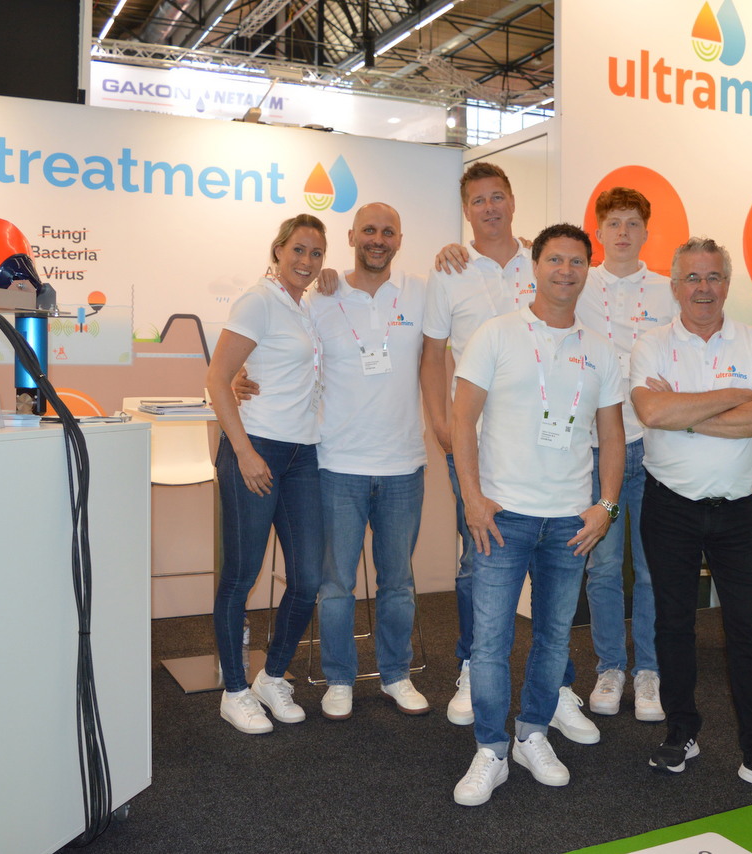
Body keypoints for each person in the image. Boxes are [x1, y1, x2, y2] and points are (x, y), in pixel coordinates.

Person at [449, 223, 625, 806]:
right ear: (535, 266)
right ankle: (490, 749)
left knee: (552, 638)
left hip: (570, 523)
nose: (565, 271)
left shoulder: (600, 350)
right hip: (502, 516)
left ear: (587, 271)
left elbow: (612, 435)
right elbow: (461, 420)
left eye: (577, 262)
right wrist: (472, 497)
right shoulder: (496, 334)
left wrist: (606, 506)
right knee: (490, 642)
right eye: (555, 260)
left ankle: (531, 734)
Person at [425, 162, 602, 740]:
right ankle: (472, 668)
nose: (489, 208)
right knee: (477, 560)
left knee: (555, 581)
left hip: (547, 451)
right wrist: (442, 426)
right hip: (476, 443)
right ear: (466, 210)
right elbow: (432, 355)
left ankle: (557, 688)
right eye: (478, 200)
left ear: (512, 201)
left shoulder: (544, 261)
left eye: (497, 197)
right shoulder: (450, 270)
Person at [629, 236, 752, 802]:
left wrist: (685, 411)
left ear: (727, 284)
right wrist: (734, 395)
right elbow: (651, 410)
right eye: (692, 278)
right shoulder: (652, 344)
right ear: (675, 286)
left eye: (713, 277)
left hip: (735, 511)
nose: (702, 288)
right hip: (669, 507)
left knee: (748, 631)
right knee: (673, 625)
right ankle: (681, 731)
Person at [206, 213, 327, 735]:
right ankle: (234, 691)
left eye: (316, 253)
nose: (307, 261)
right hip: (255, 450)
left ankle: (272, 677)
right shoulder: (258, 300)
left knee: (307, 577)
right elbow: (217, 378)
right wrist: (244, 451)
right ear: (278, 250)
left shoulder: (306, 307)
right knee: (241, 575)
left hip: (304, 455)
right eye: (298, 249)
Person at [308, 203, 431, 719]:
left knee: (398, 582)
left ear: (399, 239)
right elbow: (285, 348)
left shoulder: (421, 291)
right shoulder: (322, 296)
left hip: (404, 464)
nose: (377, 239)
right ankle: (339, 678)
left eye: (387, 231)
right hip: (338, 462)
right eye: (369, 231)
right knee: (337, 584)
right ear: (351, 235)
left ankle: (396, 675)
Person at [563, 188, 676, 723]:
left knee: (651, 569)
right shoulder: (578, 282)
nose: (623, 232)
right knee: (604, 567)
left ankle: (649, 670)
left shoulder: (668, 290)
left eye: (633, 223)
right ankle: (610, 667)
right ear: (599, 231)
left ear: (646, 232)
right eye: (614, 223)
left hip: (654, 449)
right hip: (594, 449)